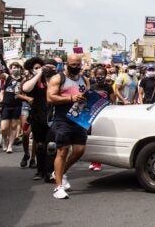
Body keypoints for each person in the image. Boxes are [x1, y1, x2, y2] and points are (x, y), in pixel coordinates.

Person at [46, 54, 90, 199]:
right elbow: (50, 97)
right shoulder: (58, 78)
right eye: (73, 64)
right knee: (62, 151)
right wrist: (70, 98)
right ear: (67, 63)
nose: (76, 67)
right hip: (62, 119)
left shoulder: (84, 80)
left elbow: (87, 99)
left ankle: (60, 172)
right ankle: (58, 186)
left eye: (78, 64)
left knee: (79, 150)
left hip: (79, 119)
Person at [0, 64, 24, 153]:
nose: (16, 69)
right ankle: (4, 140)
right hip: (6, 105)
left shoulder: (23, 80)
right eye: (14, 68)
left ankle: (10, 146)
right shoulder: (8, 77)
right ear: (10, 69)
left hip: (17, 105)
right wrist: (1, 98)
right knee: (3, 128)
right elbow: (0, 74)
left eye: (18, 67)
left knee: (14, 126)